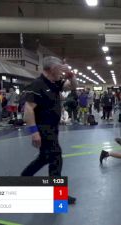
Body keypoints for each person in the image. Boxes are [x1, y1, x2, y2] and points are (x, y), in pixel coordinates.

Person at [20, 56, 77, 204]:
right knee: (56, 157)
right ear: (51, 69)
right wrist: (34, 132)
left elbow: (72, 87)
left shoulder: (54, 83)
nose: (61, 71)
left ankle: (23, 179)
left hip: (53, 127)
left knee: (45, 157)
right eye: (60, 68)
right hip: (43, 128)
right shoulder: (37, 85)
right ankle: (58, 194)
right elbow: (28, 110)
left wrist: (72, 76)